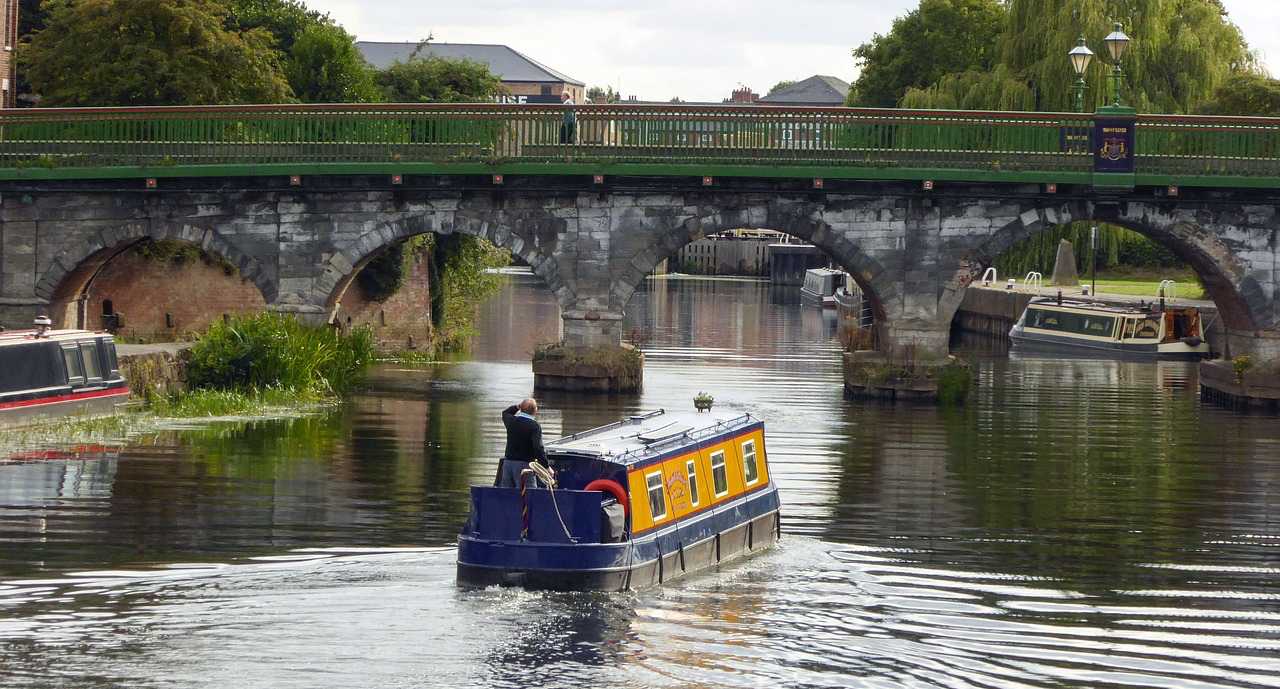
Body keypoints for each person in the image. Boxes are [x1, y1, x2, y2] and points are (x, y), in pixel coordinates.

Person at [497, 398, 549, 487]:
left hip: (508, 464)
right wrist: (546, 467)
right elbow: (538, 448)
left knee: (507, 494)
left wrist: (517, 407)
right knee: (529, 494)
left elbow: (505, 412)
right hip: (524, 465)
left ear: (521, 408)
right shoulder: (534, 426)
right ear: (534, 412)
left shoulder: (511, 421)